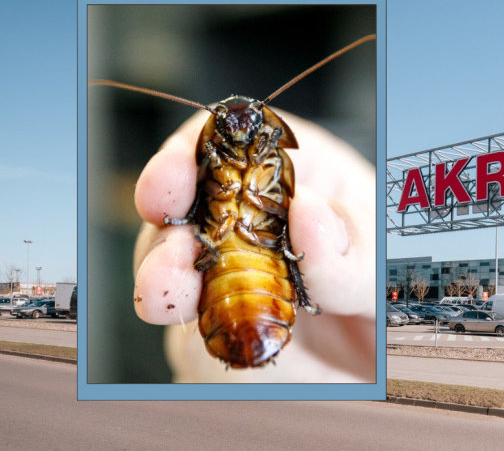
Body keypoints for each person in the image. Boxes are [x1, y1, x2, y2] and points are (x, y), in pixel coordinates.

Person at [131, 110, 376, 383]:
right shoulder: (208, 166)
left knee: (289, 235)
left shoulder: (289, 168)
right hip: (226, 274)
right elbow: (198, 203)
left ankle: (302, 299)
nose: (239, 134)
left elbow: (287, 214)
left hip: (261, 266)